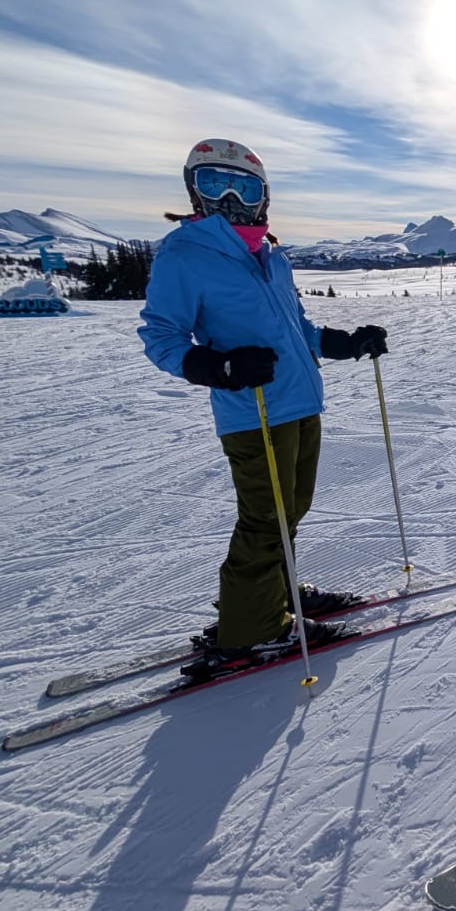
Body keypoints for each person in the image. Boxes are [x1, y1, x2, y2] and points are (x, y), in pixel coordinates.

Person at [139, 139, 389, 666]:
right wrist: (218, 368)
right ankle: (250, 628)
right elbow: (162, 336)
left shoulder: (271, 256)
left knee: (289, 511)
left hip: (300, 401)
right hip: (251, 411)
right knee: (264, 518)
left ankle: (278, 595)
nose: (230, 196)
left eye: (244, 186)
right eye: (214, 183)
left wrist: (343, 342)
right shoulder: (185, 255)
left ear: (264, 197)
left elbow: (297, 328)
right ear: (193, 191)